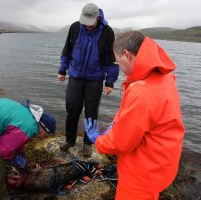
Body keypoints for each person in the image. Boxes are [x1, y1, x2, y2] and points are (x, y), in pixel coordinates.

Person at [84, 31, 185, 199]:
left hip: (142, 173)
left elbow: (122, 142)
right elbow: (142, 117)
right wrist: (117, 123)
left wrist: (99, 140)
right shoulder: (165, 78)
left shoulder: (142, 91)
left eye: (118, 61)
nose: (120, 69)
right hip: (161, 164)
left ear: (127, 54)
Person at [58, 3, 119, 157]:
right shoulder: (75, 27)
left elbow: (112, 59)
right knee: (72, 109)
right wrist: (62, 69)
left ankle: (87, 143)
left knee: (91, 113)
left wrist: (110, 82)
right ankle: (70, 139)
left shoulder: (107, 32)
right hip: (75, 77)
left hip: (95, 79)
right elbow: (67, 50)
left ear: (97, 18)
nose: (87, 25)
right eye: (85, 21)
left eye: (90, 22)